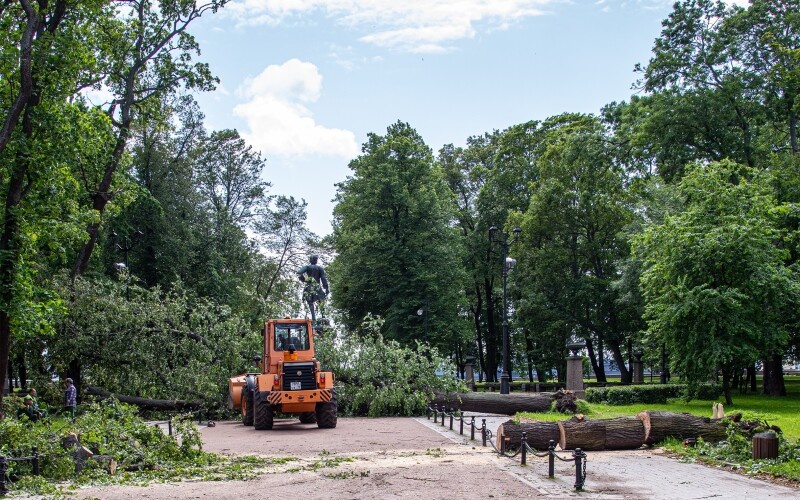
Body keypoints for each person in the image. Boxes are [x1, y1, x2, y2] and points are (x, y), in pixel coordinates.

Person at [297, 255, 329, 323]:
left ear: (310, 260)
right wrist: (326, 288)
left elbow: (299, 273)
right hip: (317, 286)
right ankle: (323, 316)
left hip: (309, 286)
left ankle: (313, 317)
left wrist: (304, 280)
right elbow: (323, 278)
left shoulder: (307, 267)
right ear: (316, 260)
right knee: (321, 301)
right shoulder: (320, 268)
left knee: (310, 302)